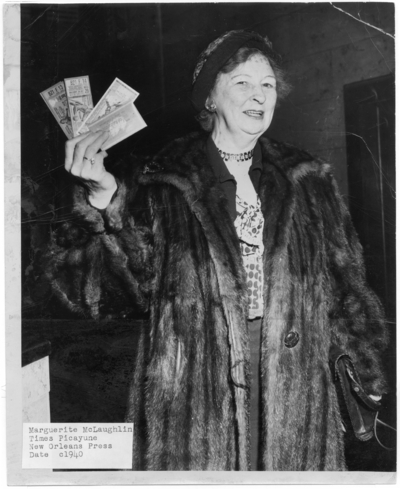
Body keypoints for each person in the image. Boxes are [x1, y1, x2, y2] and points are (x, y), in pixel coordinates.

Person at [45, 30, 388, 471]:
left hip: (296, 395)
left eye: (267, 85)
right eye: (242, 82)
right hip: (194, 399)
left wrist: (365, 371)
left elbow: (348, 288)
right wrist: (104, 201)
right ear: (210, 97)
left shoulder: (310, 178)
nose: (259, 94)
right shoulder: (160, 181)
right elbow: (111, 298)